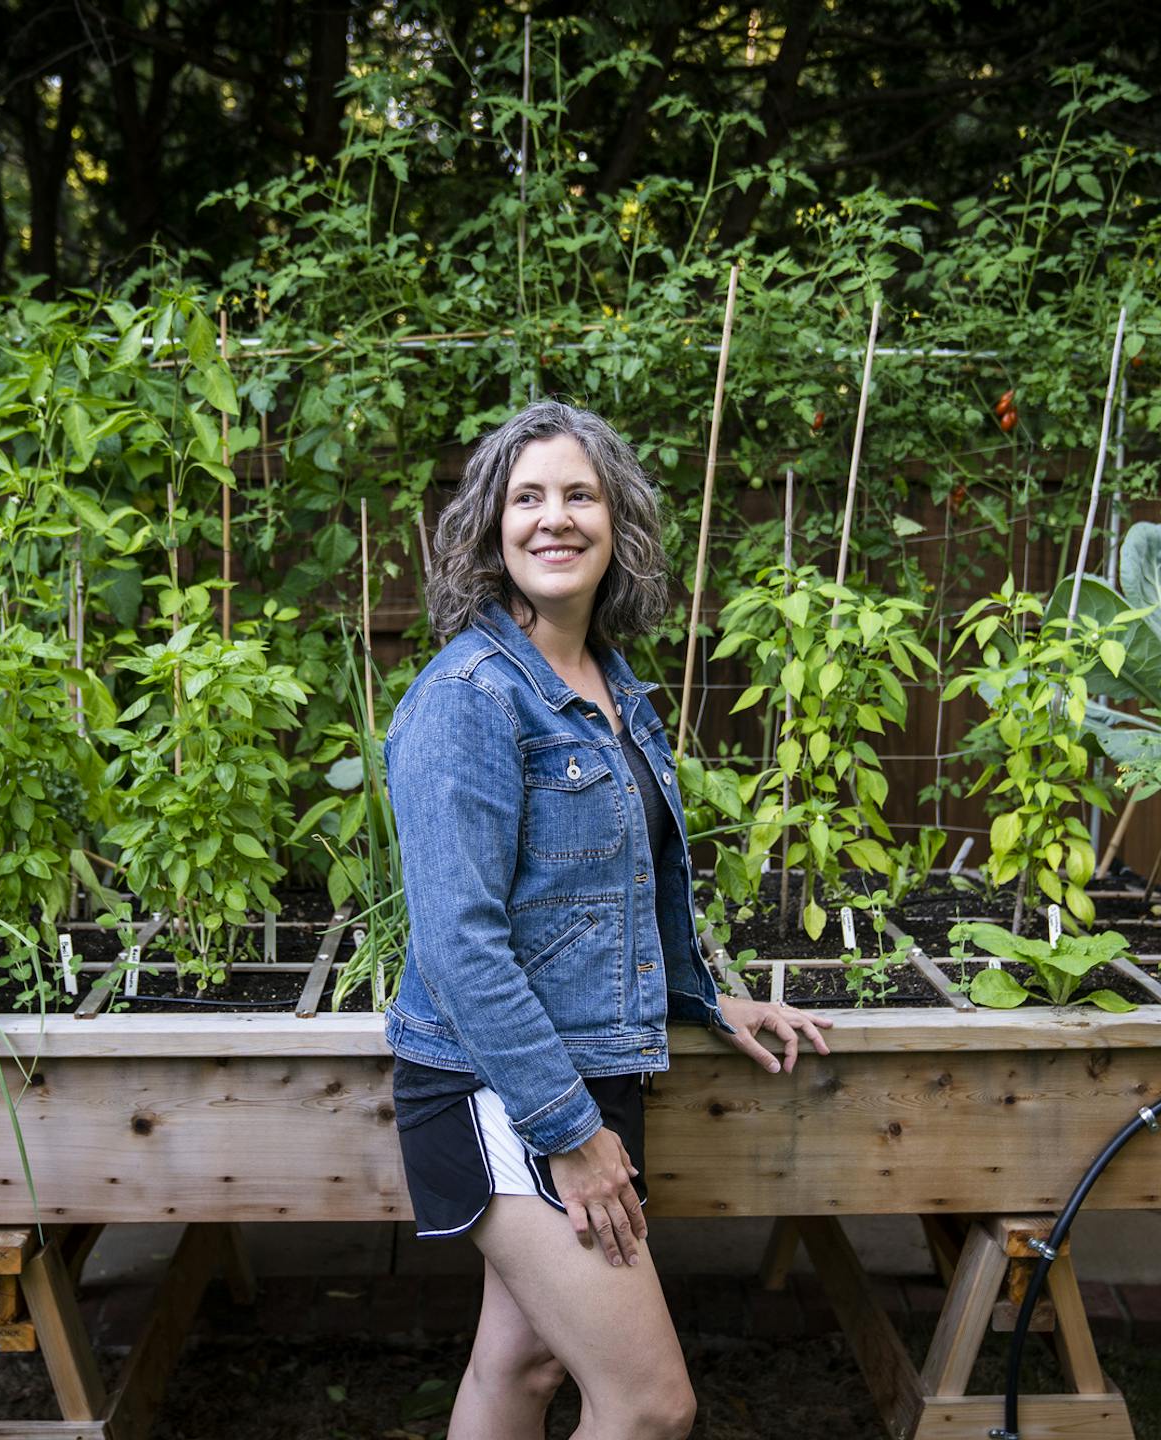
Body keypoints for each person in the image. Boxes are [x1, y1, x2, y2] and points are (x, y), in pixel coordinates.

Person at [382, 399, 834, 1439]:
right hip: (505, 1088)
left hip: (587, 1066)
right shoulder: (472, 698)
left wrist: (708, 999)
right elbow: (461, 944)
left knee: (524, 1366)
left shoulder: (614, 689)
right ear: (492, 530)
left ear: (615, 522)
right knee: (648, 1406)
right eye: (527, 498)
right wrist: (570, 1132)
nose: (555, 519)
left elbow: (614, 900)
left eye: (579, 495)